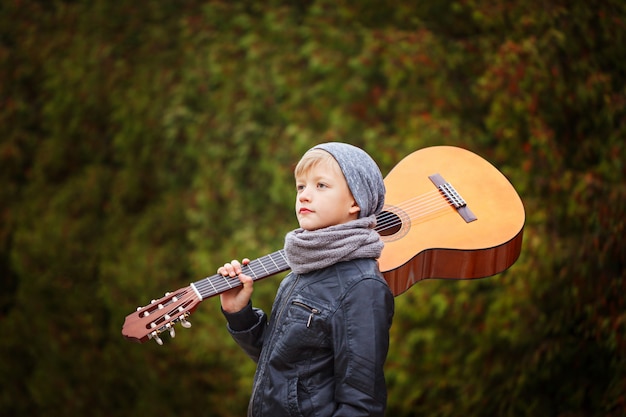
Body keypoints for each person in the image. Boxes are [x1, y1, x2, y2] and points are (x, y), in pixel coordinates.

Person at [218, 142, 394, 417]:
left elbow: (362, 406)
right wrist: (239, 313)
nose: (304, 196)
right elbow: (282, 364)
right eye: (301, 187)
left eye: (320, 185)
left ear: (355, 201)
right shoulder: (302, 271)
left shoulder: (363, 287)